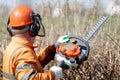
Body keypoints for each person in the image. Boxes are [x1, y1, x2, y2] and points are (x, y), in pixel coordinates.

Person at [2, 5, 66, 80]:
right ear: (33, 29)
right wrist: (52, 74)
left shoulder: (14, 46)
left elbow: (30, 65)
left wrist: (51, 51)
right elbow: (30, 78)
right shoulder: (23, 52)